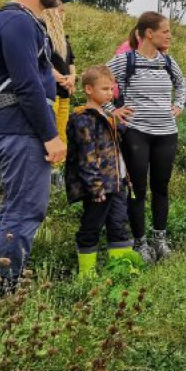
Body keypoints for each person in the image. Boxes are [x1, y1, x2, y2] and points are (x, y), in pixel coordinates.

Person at [0, 0, 66, 284]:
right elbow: (27, 84)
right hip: (21, 128)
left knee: (15, 208)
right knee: (24, 210)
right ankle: (7, 288)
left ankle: (4, 279)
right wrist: (51, 135)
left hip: (15, 126)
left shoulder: (15, 20)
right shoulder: (17, 21)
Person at [107, 12, 186, 262]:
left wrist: (179, 105)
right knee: (137, 190)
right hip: (137, 134)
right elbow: (96, 81)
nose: (169, 36)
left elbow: (182, 83)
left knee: (161, 187)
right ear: (149, 34)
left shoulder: (167, 61)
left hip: (166, 133)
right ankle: (140, 243)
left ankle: (159, 239)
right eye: (165, 31)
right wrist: (113, 110)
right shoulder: (125, 60)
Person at [65, 65, 134, 276]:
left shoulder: (108, 116)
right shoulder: (83, 119)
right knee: (91, 226)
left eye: (111, 89)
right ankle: (87, 273)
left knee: (119, 224)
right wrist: (95, 187)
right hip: (99, 188)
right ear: (88, 89)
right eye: (104, 89)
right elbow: (87, 158)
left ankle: (120, 269)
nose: (110, 93)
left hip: (117, 183)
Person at [40, 3, 76, 146]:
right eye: (59, 9)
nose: (62, 11)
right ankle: (51, 165)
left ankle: (59, 165)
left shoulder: (64, 38)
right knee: (51, 130)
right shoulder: (43, 34)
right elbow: (42, 61)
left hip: (64, 91)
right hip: (51, 92)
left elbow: (71, 61)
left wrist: (72, 77)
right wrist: (62, 79)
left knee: (62, 130)